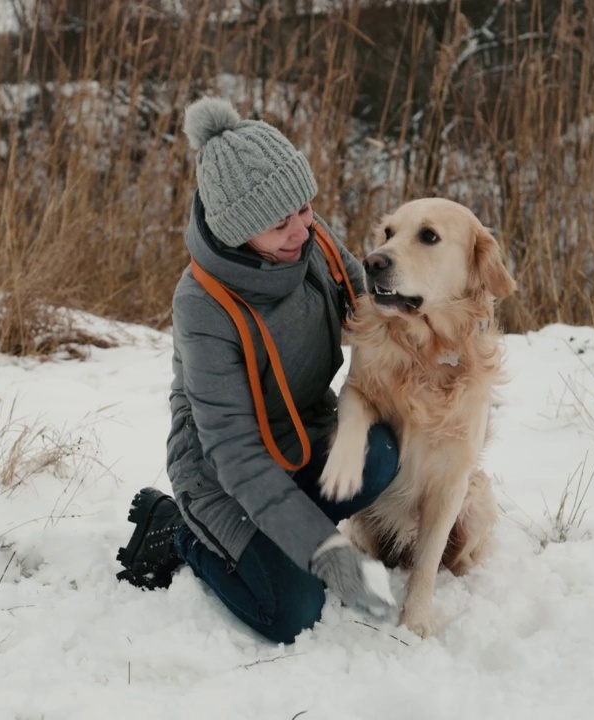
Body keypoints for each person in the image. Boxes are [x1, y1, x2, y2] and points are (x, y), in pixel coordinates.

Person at [115, 97, 401, 644]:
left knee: (380, 454)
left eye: (305, 208)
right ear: (238, 230)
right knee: (293, 612)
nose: (301, 230)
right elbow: (236, 456)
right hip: (223, 477)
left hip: (303, 436)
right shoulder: (203, 304)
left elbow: (368, 309)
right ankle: (180, 533)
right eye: (278, 223)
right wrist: (327, 553)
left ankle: (283, 531)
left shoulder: (308, 242)